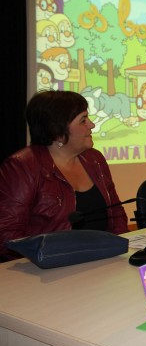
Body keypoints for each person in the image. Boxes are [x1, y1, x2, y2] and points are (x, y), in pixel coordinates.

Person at [0, 90, 128, 262]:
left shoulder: (94, 159)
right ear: (57, 131)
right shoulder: (21, 167)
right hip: (46, 274)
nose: (92, 125)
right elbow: (7, 237)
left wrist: (123, 253)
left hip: (102, 262)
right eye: (83, 120)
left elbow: (116, 215)